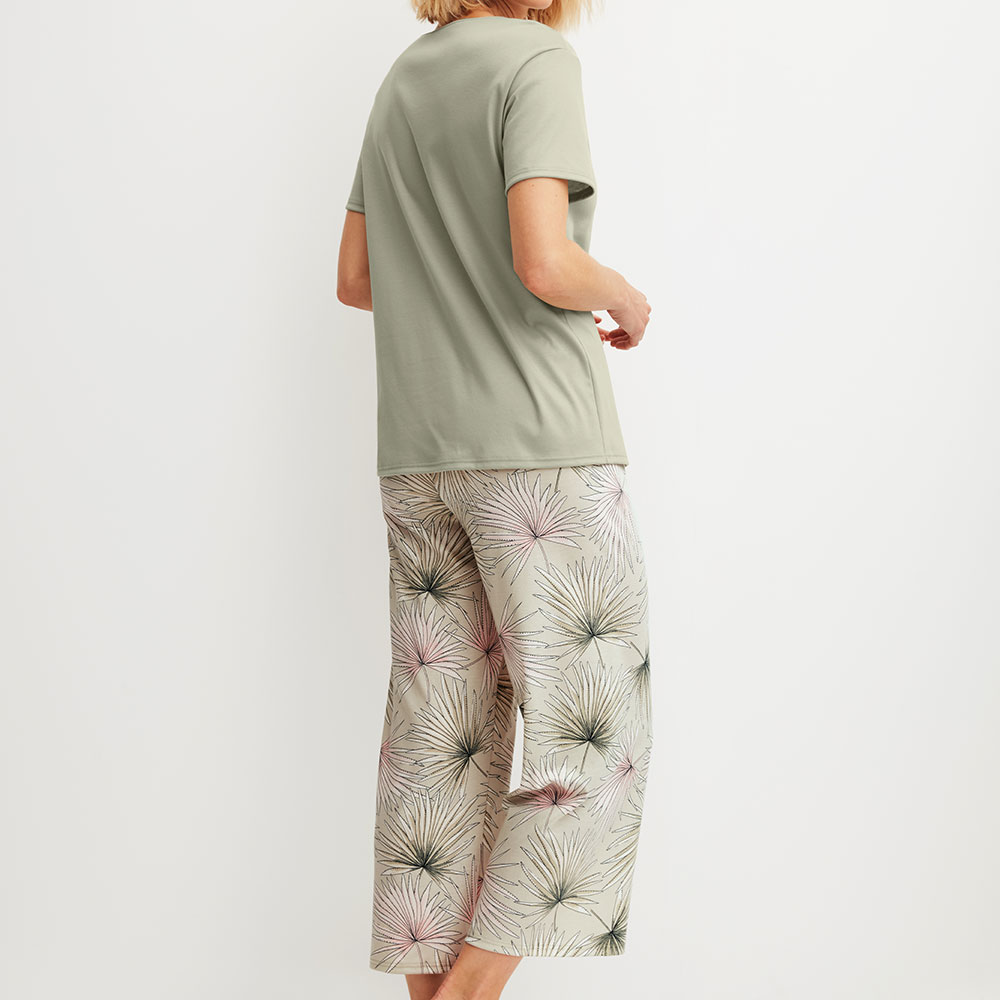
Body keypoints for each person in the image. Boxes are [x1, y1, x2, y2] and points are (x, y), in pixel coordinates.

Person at [337, 3, 654, 999]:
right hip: (540, 454)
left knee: (440, 747)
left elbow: (357, 278)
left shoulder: (404, 78)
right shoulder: (534, 60)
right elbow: (545, 261)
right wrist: (623, 294)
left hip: (419, 455)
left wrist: (450, 295)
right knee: (593, 737)